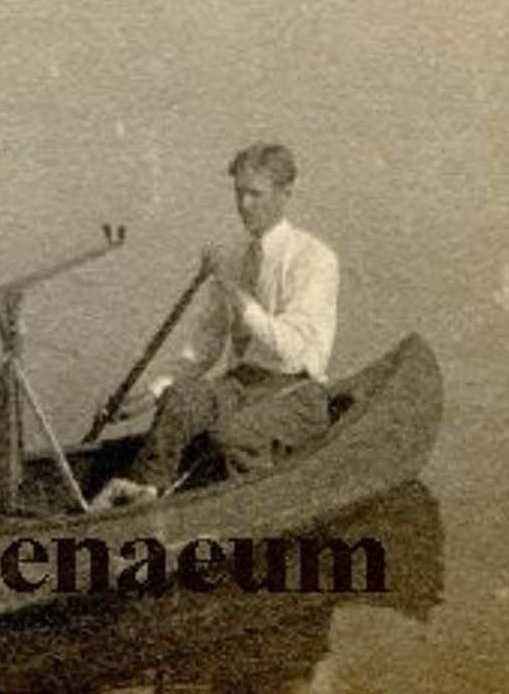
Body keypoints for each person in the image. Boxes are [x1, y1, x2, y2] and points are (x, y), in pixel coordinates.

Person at [93, 141, 338, 506]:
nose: (244, 205)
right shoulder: (234, 255)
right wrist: (155, 391)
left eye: (255, 194)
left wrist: (235, 291)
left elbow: (291, 349)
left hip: (297, 391)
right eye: (238, 193)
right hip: (239, 384)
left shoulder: (314, 259)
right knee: (179, 401)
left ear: (286, 193)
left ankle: (250, 503)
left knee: (230, 435)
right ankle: (146, 495)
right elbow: (205, 347)